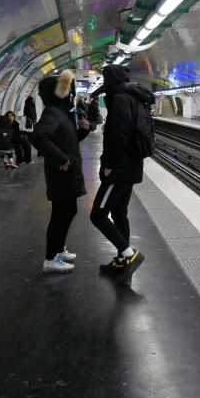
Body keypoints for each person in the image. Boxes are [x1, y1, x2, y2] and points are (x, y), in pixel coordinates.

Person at [90, 65, 154, 283]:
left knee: (98, 214)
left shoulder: (120, 99)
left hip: (119, 168)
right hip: (133, 164)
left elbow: (118, 135)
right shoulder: (136, 97)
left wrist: (109, 164)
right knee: (119, 213)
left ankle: (129, 254)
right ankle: (120, 261)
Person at [30, 70, 91, 273]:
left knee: (69, 211)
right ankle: (50, 259)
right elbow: (38, 137)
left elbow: (67, 141)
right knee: (59, 214)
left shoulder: (61, 113)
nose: (71, 95)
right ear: (57, 93)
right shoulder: (52, 113)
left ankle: (58, 249)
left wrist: (83, 130)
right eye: (67, 91)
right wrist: (61, 158)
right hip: (61, 173)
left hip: (69, 171)